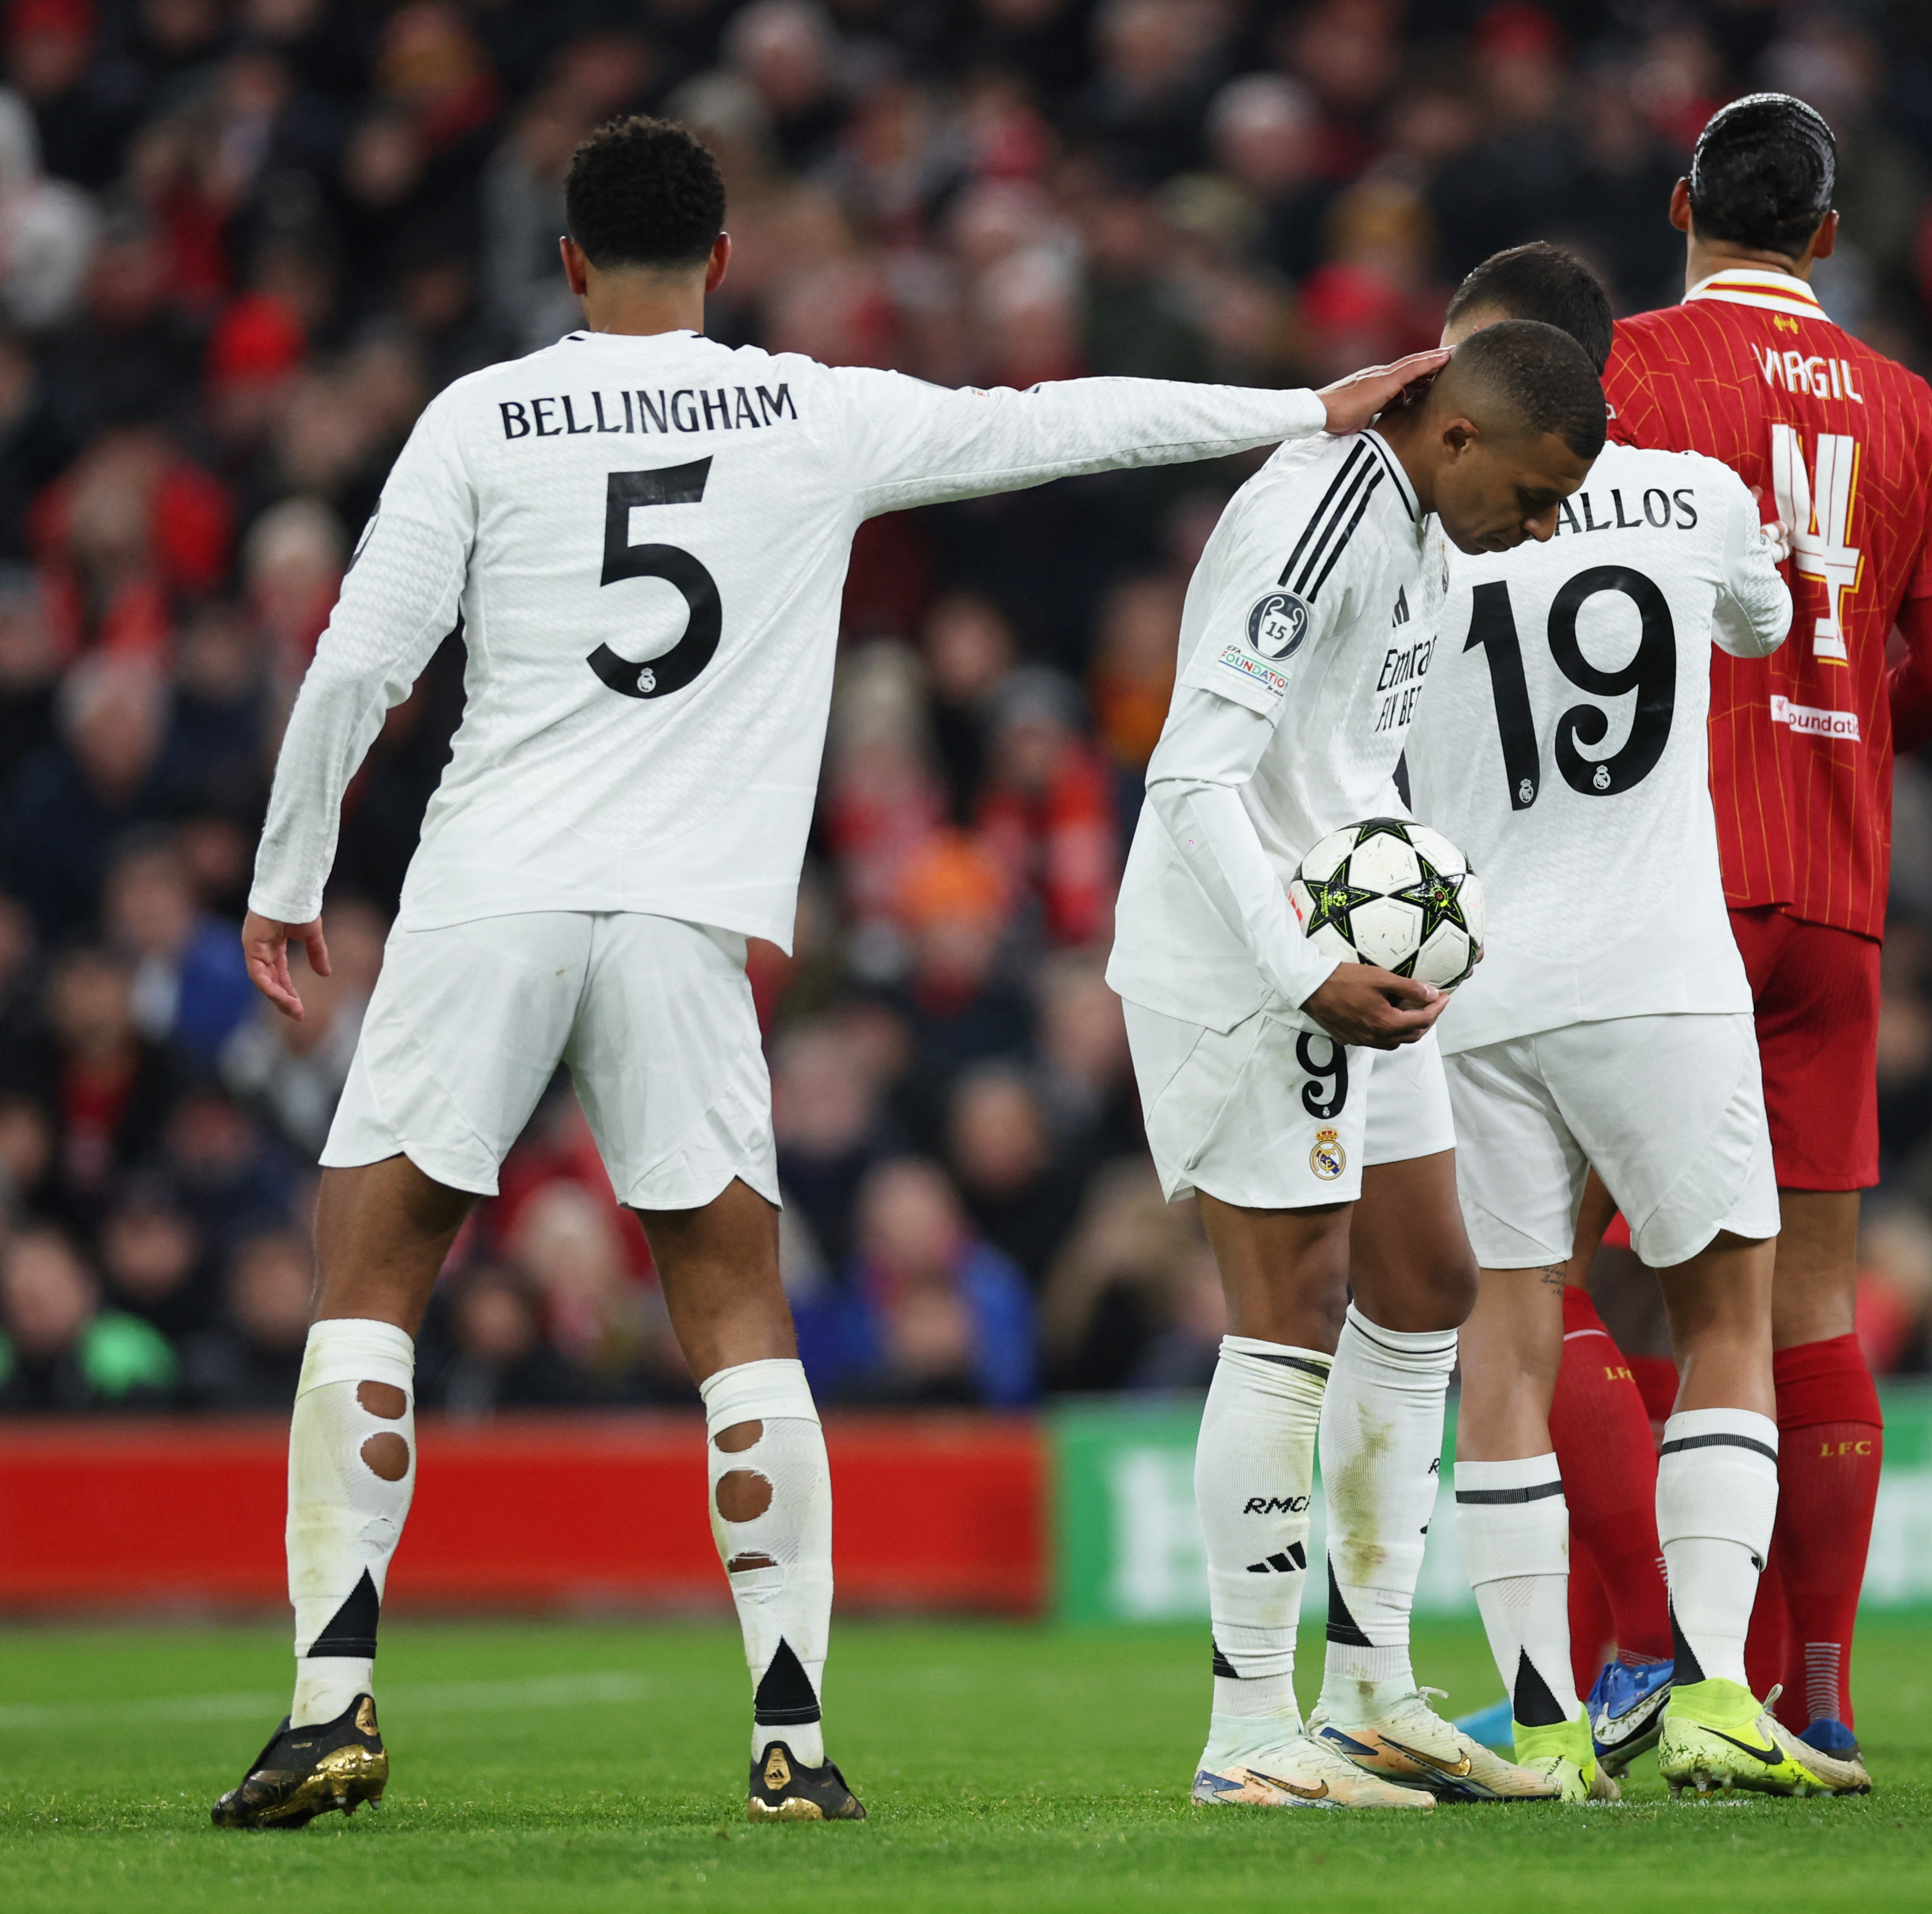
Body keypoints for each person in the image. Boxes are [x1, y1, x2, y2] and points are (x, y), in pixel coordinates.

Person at [214, 114, 1443, 1831]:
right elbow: (1053, 427)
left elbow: (358, 666)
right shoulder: (809, 405)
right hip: (688, 915)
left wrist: (287, 877)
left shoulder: (480, 417)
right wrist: (1298, 409)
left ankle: (327, 1699)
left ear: (567, 261)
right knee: (733, 1308)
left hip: (489, 886)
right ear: (724, 261)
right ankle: (790, 1730)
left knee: (375, 1264)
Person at [1106, 316, 1603, 1809]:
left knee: (1429, 1275)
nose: (1544, 527)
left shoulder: (1430, 533)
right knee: (1292, 1307)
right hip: (1250, 959)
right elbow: (1190, 771)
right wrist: (1306, 962)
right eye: (1532, 493)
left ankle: (1375, 1687)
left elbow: (1342, 759)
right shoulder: (1318, 516)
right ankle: (1249, 1728)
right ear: (1455, 436)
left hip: (1349, 954)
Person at [1552, 93, 1932, 1773]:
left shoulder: (1629, 373)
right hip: (1835, 899)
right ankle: (1817, 1693)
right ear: (1826, 235)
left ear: (1681, 204)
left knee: (1540, 1271)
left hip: (1654, 882)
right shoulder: (1909, 408)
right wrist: (1850, 729)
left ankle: (1651, 1653)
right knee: (1803, 1302)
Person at [1407, 244, 1862, 1800]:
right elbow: (1755, 628)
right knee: (1730, 1309)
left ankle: (1541, 1719)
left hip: (1475, 982)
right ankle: (1720, 1694)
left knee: (1509, 1342)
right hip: (1660, 972)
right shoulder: (1697, 496)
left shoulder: (1419, 519)